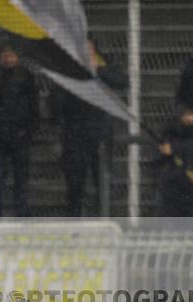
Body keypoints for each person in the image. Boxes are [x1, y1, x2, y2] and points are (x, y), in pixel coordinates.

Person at [51, 36, 127, 216]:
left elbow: (123, 81)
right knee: (75, 182)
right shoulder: (66, 69)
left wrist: (98, 70)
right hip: (74, 133)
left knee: (102, 180)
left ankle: (103, 217)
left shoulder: (104, 66)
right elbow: (55, 101)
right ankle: (75, 219)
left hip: (100, 133)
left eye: (89, 49)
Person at [0, 41, 39, 217]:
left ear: (17, 57)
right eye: (5, 55)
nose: (8, 58)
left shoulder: (26, 76)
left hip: (20, 134)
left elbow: (33, 105)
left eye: (11, 55)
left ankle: (21, 213)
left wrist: (29, 129)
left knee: (21, 177)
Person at [156, 106, 193, 217]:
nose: (190, 119)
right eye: (187, 115)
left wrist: (174, 149)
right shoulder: (169, 133)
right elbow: (157, 159)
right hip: (172, 190)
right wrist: (164, 151)